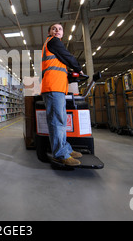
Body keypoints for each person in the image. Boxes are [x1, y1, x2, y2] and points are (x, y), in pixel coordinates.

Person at [41, 23, 84, 166]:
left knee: (61, 121)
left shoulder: (54, 48)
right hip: (53, 88)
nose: (57, 30)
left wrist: (71, 75)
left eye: (60, 29)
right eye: (54, 28)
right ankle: (60, 154)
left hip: (57, 87)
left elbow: (60, 67)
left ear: (62, 33)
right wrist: (79, 68)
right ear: (50, 32)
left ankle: (65, 148)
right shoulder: (53, 41)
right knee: (57, 121)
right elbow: (68, 57)